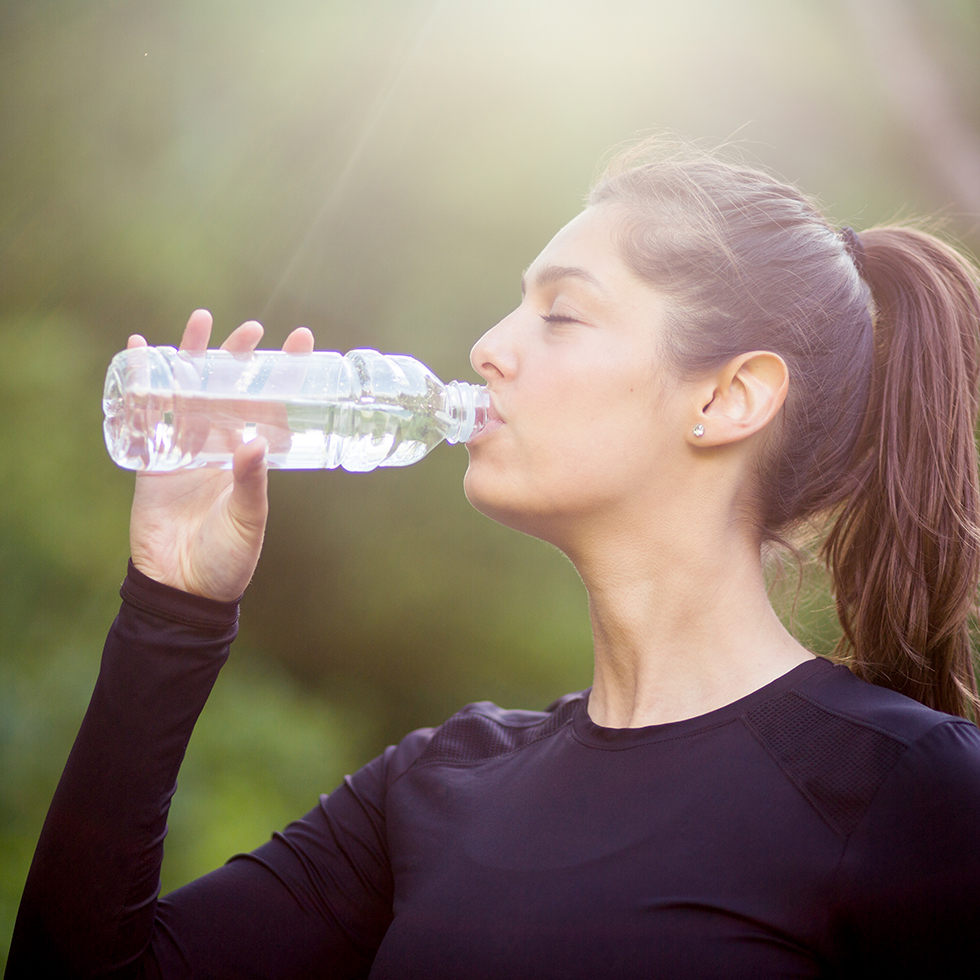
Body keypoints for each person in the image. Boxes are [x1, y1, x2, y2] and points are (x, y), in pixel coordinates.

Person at [8, 140, 980, 979]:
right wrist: (169, 611)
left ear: (727, 397)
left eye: (560, 313)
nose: (484, 347)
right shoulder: (435, 784)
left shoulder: (908, 787)